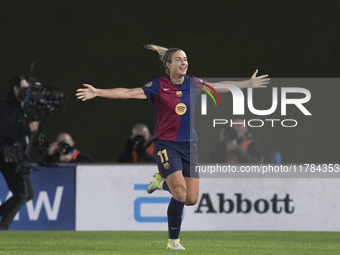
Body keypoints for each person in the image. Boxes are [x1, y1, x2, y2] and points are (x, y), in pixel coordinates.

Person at [76, 44, 269, 249]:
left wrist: (248, 83)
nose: (183, 62)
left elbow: (219, 86)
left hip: (189, 146)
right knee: (179, 193)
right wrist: (97, 92)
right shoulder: (158, 86)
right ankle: (173, 241)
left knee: (191, 199)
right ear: (168, 64)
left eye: (185, 59)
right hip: (166, 145)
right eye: (178, 59)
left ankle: (160, 182)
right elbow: (130, 92)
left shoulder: (193, 84)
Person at [0, 76, 38, 230]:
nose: (26, 92)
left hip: (12, 153)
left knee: (28, 194)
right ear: (15, 89)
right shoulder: (11, 107)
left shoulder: (16, 108)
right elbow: (5, 130)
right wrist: (28, 128)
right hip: (7, 154)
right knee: (21, 194)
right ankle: (3, 228)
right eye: (23, 89)